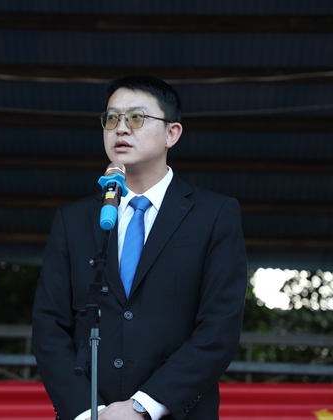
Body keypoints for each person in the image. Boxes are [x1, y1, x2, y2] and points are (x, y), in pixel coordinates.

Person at [32, 75, 247, 420]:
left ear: (172, 133)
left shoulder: (215, 214)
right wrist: (89, 411)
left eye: (136, 117)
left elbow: (219, 328)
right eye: (111, 118)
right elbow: (49, 326)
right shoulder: (73, 219)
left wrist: (142, 406)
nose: (120, 128)